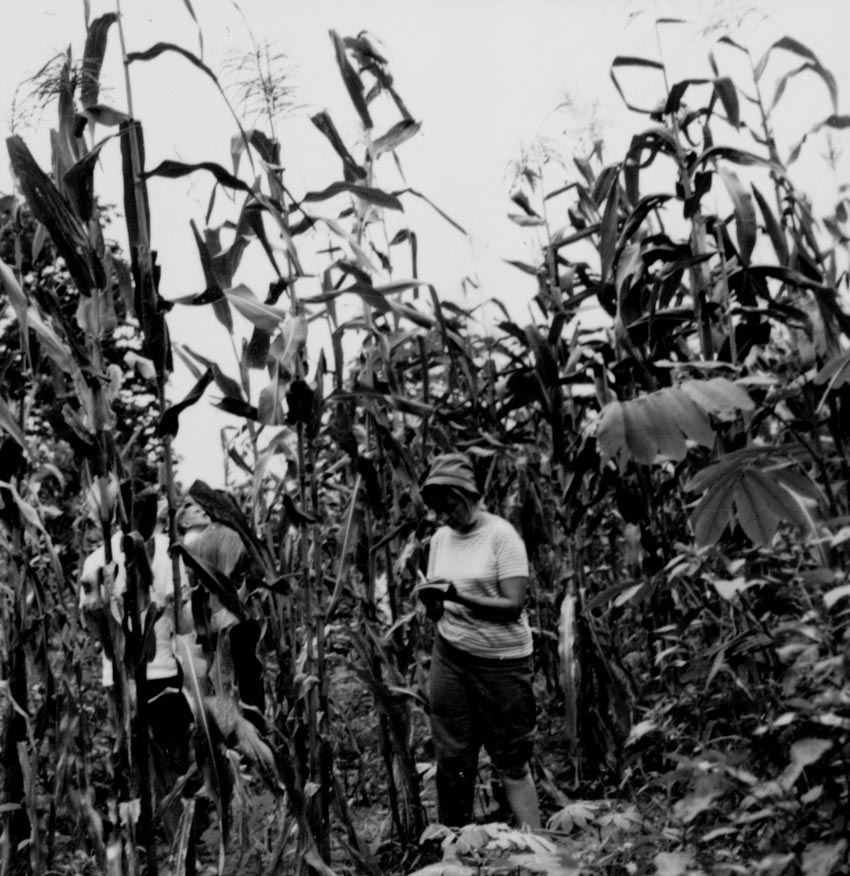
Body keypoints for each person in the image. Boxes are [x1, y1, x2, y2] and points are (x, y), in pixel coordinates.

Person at [417, 452, 541, 829]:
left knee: (511, 758)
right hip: (451, 653)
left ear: (468, 496)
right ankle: (455, 847)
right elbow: (440, 605)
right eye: (438, 510)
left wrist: (459, 596)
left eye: (450, 506)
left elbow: (513, 606)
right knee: (452, 757)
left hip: (501, 661)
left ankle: (537, 846)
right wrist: (433, 602)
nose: (444, 516)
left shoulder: (501, 536)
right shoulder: (440, 539)